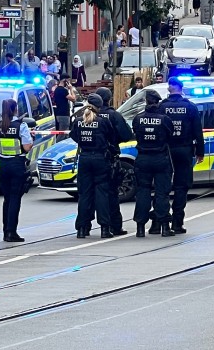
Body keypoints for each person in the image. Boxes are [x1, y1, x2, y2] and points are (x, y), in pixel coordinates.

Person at [0, 98, 34, 242]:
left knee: (7, 199)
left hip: (4, 165)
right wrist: (31, 139)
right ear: (14, 110)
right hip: (17, 164)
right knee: (15, 199)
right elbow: (26, 147)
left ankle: (5, 231)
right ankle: (11, 232)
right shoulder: (21, 126)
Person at [70, 99, 119, 239]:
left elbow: (74, 136)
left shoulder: (78, 121)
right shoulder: (102, 122)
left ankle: (81, 228)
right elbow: (112, 137)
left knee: (84, 195)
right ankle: (104, 228)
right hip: (100, 159)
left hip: (84, 159)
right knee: (102, 194)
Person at [161, 77, 204, 235]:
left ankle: (162, 221)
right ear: (181, 88)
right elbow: (198, 131)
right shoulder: (190, 107)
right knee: (182, 186)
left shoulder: (162, 107)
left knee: (164, 186)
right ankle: (177, 223)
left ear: (169, 88)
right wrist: (200, 151)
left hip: (166, 151)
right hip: (185, 150)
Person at [131, 90, 175, 237]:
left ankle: (140, 227)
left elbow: (136, 132)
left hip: (143, 158)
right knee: (162, 193)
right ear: (157, 102)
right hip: (160, 158)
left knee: (142, 192)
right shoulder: (164, 119)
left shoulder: (138, 119)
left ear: (146, 102)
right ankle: (164, 227)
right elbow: (170, 135)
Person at [91, 90, 133, 236]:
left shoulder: (88, 115)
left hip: (88, 158)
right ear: (109, 99)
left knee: (88, 194)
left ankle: (83, 228)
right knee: (111, 193)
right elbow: (127, 134)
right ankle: (113, 226)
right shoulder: (113, 115)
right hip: (109, 158)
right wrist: (115, 141)